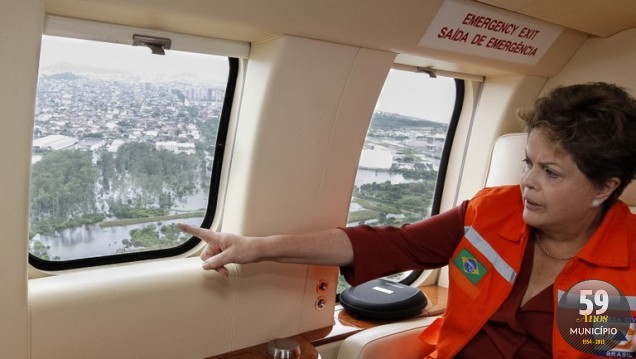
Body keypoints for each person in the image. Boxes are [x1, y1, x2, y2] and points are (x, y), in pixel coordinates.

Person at [178, 82, 636, 358]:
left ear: (604, 188)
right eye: (527, 162)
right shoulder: (491, 211)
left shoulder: (630, 268)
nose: (527, 183)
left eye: (550, 172)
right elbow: (392, 244)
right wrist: (257, 247)